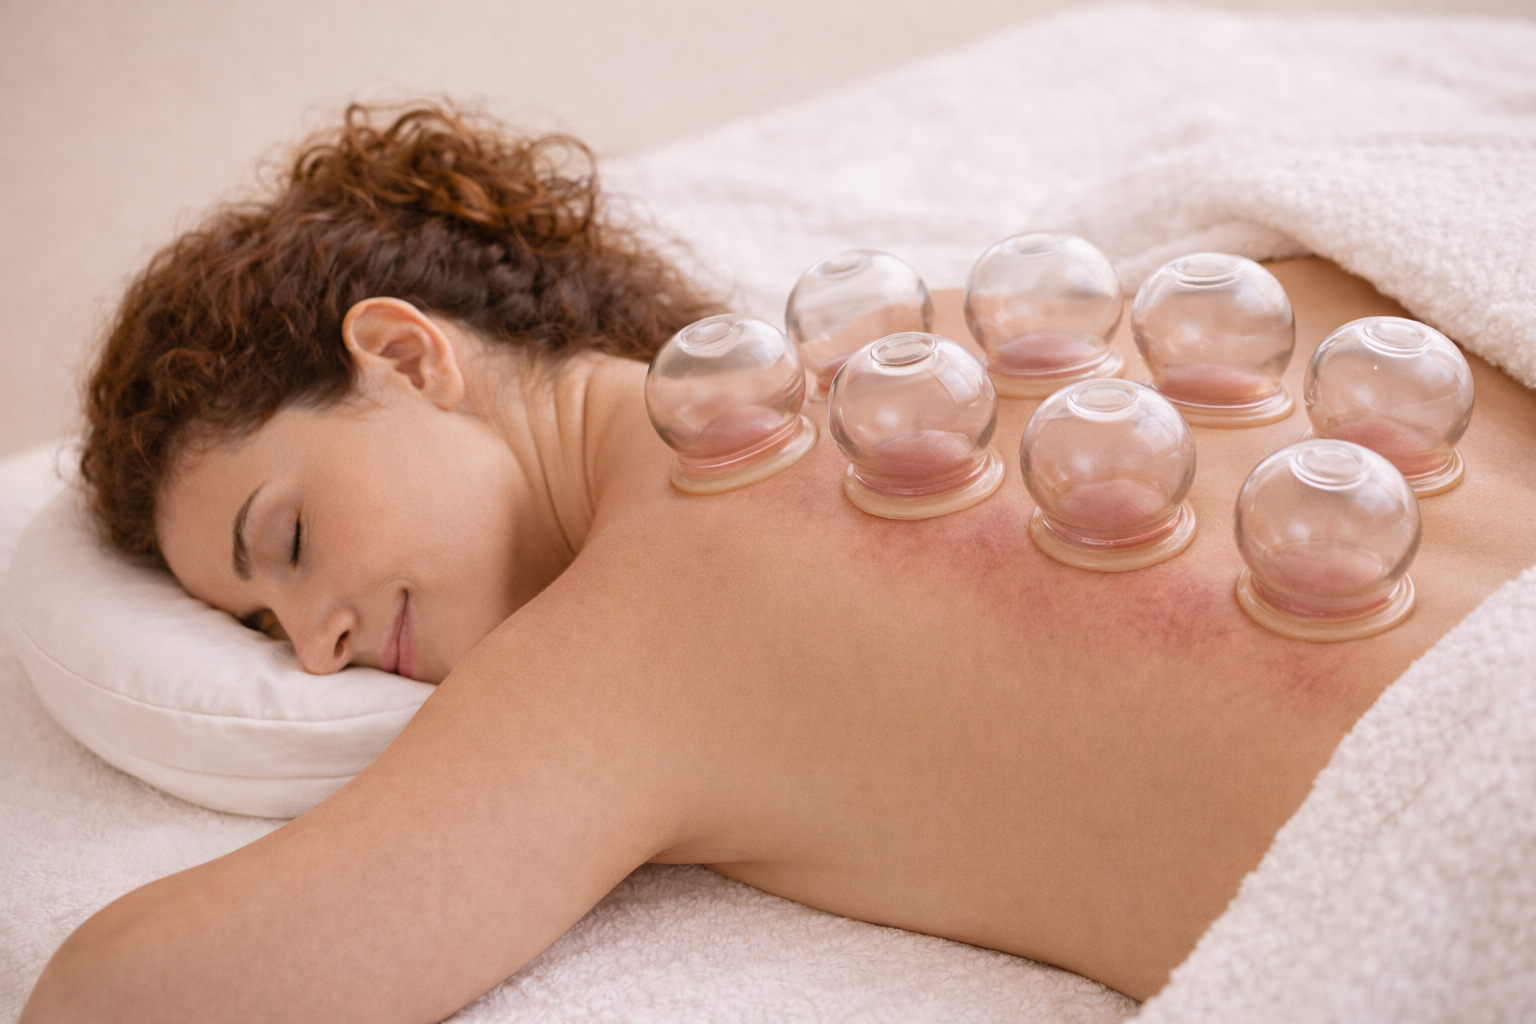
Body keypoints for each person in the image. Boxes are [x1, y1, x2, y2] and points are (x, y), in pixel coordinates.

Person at [21, 103, 1536, 1023]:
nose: (318, 648)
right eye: (268, 629)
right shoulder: (996, 321)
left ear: (408, 356)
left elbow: (128, 997)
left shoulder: (636, 637)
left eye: (284, 542)